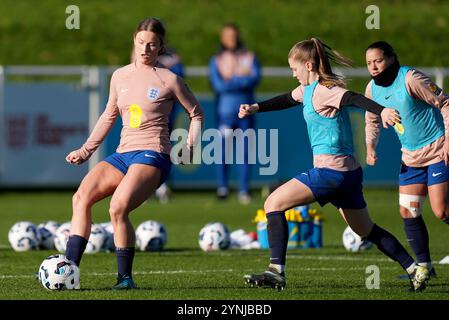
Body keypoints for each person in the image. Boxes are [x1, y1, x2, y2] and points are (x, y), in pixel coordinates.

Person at [239, 38, 428, 292]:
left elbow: (352, 98)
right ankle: (414, 268)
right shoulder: (306, 91)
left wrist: (381, 110)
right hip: (348, 176)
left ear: (308, 65)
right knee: (365, 229)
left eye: (294, 68)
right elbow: (286, 99)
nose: (293, 73)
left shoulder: (324, 90)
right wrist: (256, 108)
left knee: (272, 203)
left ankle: (276, 271)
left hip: (331, 173)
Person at [65, 17, 203, 289]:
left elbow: (197, 114)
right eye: (141, 43)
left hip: (153, 154)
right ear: (134, 41)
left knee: (117, 208)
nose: (145, 49)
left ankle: (125, 279)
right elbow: (108, 116)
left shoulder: (169, 79)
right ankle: (67, 269)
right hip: (123, 153)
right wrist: (85, 150)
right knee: (81, 197)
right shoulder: (120, 76)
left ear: (161, 46)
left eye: (152, 45)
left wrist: (189, 146)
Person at [364, 41, 449, 279]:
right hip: (410, 158)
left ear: (391, 58)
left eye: (378, 60)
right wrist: (371, 146)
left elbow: (445, 103)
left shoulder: (410, 78)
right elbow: (371, 119)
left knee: (441, 211)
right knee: (408, 211)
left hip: (437, 150)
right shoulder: (371, 88)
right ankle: (425, 267)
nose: (373, 66)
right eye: (369, 62)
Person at [209, 23, 261, 204]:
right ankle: (222, 187)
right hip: (225, 112)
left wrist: (232, 79)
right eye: (227, 35)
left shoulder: (249, 56)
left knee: (245, 151)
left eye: (233, 35)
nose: (231, 38)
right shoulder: (217, 59)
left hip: (246, 111)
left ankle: (244, 189)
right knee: (223, 150)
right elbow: (218, 85)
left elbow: (255, 78)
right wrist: (241, 78)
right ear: (222, 37)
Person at [131, 46, 186, 203]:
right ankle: (140, 185)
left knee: (163, 145)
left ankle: (160, 185)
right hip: (142, 107)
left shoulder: (172, 56)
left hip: (166, 108)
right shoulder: (140, 51)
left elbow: (178, 77)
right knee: (140, 145)